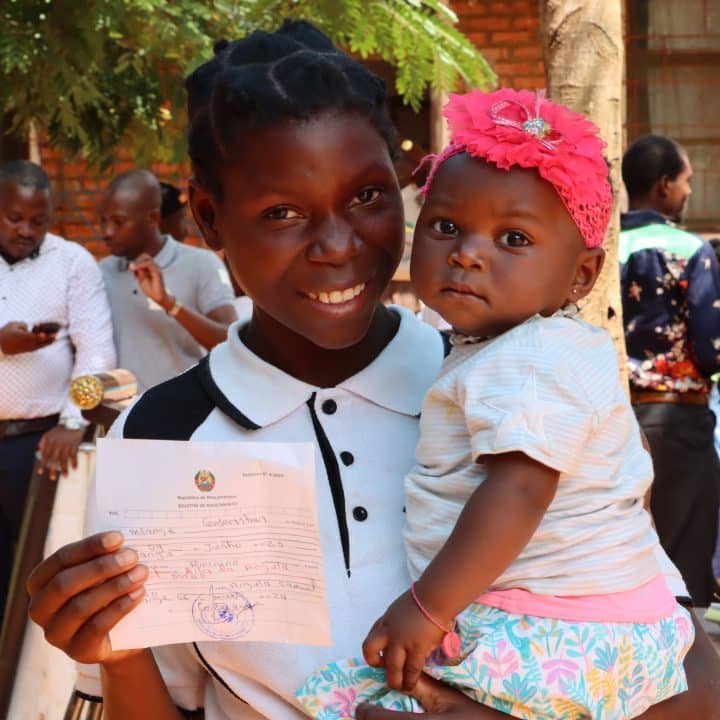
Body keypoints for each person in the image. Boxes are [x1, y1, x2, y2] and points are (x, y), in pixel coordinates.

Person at [25, 23, 720, 720]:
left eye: (366, 197)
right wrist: (118, 657)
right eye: (283, 212)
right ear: (209, 218)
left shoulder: (513, 389)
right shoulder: (161, 439)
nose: (336, 245)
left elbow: (687, 671)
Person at [298, 90, 695, 720]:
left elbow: (519, 492)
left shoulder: (530, 359)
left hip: (560, 631)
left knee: (355, 702)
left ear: (582, 275)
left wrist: (428, 606)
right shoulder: (532, 350)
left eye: (513, 237)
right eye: (446, 226)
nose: (467, 253)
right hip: (602, 620)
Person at [0, 159, 115, 621]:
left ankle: (25, 689)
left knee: (36, 576)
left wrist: (73, 421)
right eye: (14, 217)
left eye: (39, 221)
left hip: (42, 445)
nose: (27, 229)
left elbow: (96, 355)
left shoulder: (73, 263)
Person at [620, 135, 720, 607]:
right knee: (684, 549)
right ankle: (686, 670)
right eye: (685, 182)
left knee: (625, 549)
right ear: (663, 186)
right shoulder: (690, 249)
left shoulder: (601, 249)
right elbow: (710, 347)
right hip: (678, 420)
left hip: (613, 417)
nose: (688, 192)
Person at [99, 169, 236, 392]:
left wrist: (169, 304)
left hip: (185, 411)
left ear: (153, 218)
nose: (107, 232)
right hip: (122, 418)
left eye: (118, 222)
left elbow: (231, 343)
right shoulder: (102, 271)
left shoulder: (201, 264)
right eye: (103, 221)